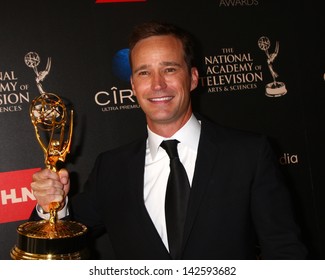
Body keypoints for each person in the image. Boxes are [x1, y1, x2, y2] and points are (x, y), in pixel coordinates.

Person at [30, 21, 307, 260]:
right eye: (144, 72)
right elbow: (63, 241)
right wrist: (51, 205)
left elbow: (285, 251)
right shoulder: (111, 168)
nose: (157, 84)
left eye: (170, 69)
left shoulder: (248, 154)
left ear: (193, 78)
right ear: (133, 87)